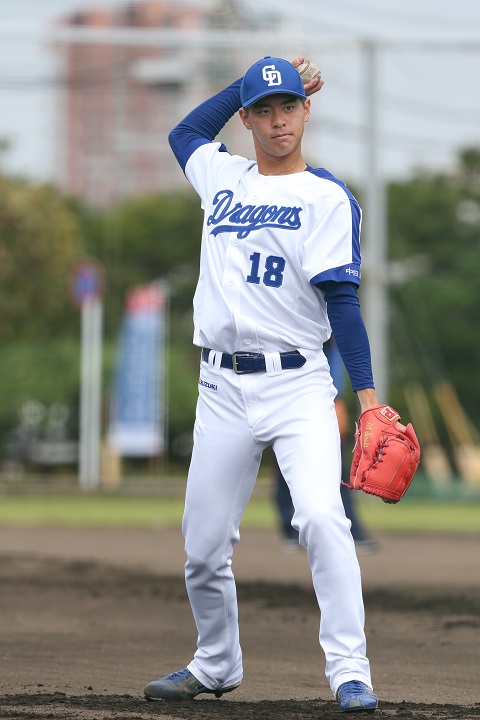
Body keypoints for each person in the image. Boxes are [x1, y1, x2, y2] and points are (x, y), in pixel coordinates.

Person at [143, 54, 399, 713]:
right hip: (220, 390)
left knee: (321, 518)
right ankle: (215, 663)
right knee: (202, 549)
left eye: (288, 106)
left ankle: (351, 673)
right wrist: (245, 85)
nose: (279, 120)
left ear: (306, 111)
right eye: (265, 110)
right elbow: (184, 135)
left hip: (298, 386)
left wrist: (368, 395)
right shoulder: (221, 178)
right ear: (249, 119)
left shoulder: (325, 197)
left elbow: (342, 301)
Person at [275, 338, 378, 552]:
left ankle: (349, 527)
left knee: (335, 466)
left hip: (315, 393)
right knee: (285, 466)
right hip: (276, 390)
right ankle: (291, 529)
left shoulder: (320, 315)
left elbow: (331, 352)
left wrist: (336, 396)